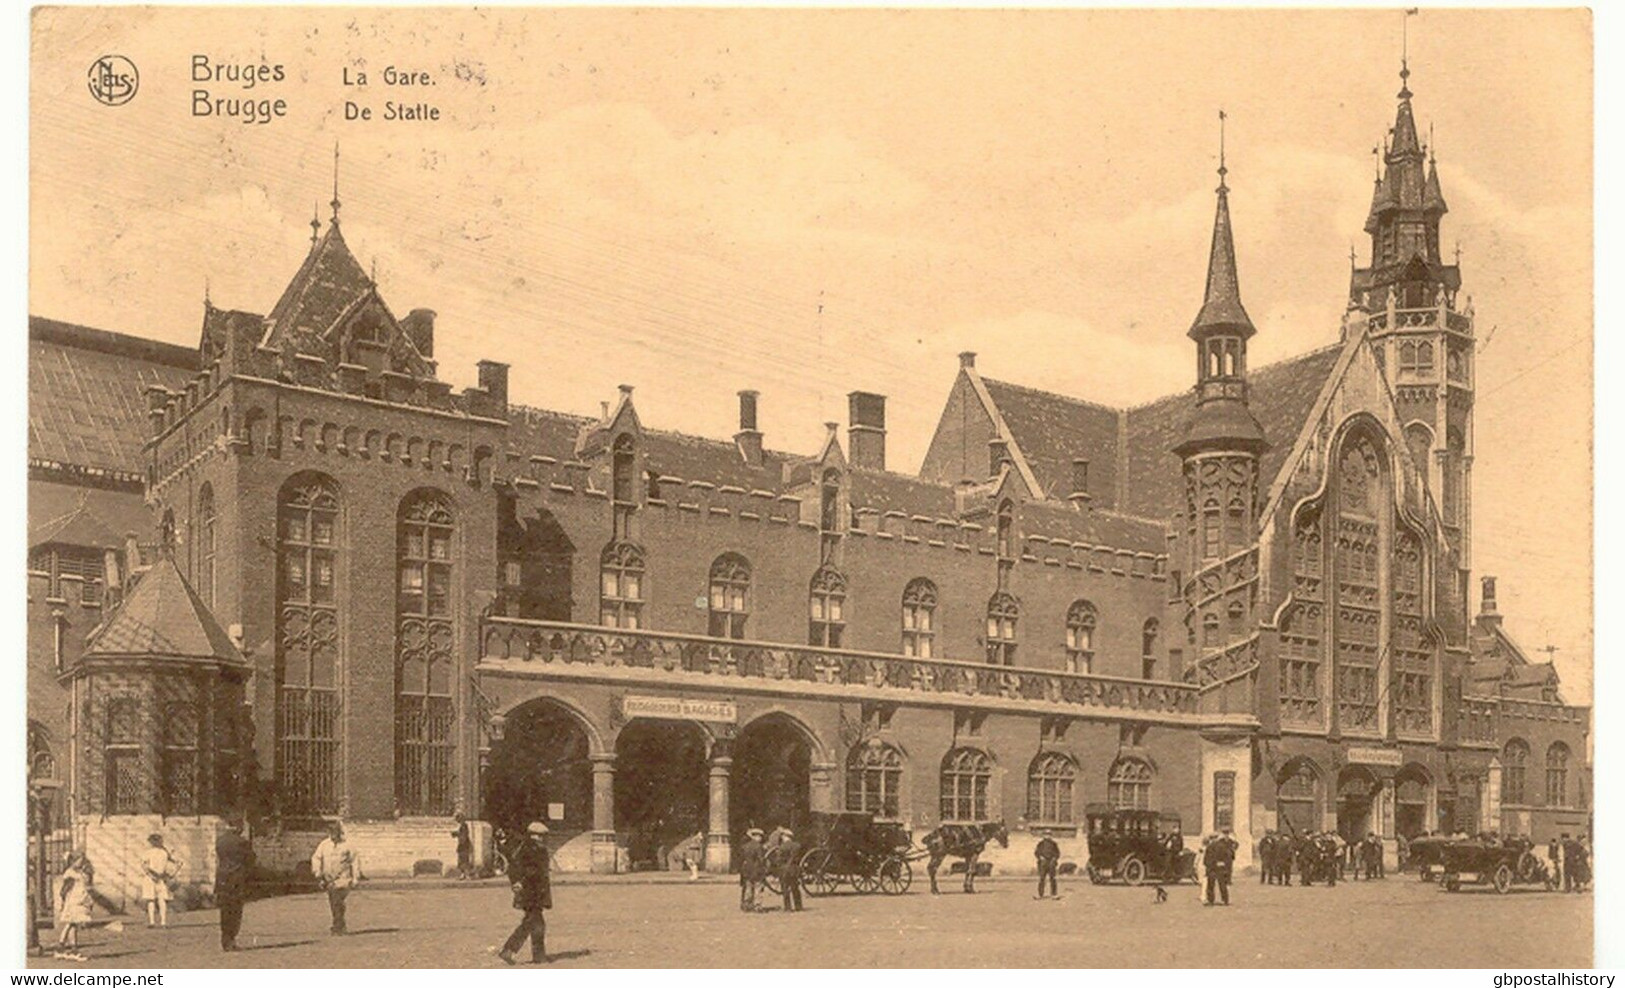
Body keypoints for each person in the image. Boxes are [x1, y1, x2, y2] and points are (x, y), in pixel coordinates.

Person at [498, 821, 553, 964]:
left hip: (531, 892)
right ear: (533, 835)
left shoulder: (524, 848)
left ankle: (538, 956)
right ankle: (509, 950)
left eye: (542, 836)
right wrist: (519, 881)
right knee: (532, 923)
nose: (541, 839)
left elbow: (513, 868)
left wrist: (516, 882)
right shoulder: (534, 849)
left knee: (536, 923)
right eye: (539, 836)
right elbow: (530, 871)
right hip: (532, 892)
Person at [311, 820, 361, 935]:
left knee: (337, 900)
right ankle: (340, 925)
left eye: (335, 832)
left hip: (343, 879)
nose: (333, 834)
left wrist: (355, 878)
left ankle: (337, 925)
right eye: (331, 832)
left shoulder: (347, 845)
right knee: (334, 902)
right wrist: (317, 872)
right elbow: (316, 858)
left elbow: (355, 861)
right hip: (329, 879)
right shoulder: (324, 845)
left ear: (340, 832)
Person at [215, 818, 254, 952]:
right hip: (236, 879)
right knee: (236, 910)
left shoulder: (220, 841)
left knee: (224, 910)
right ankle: (231, 939)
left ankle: (225, 938)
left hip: (222, 878)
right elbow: (250, 859)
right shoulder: (242, 842)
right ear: (238, 827)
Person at [52, 853, 95, 961]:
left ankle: (69, 948)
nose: (80, 863)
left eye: (82, 861)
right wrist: (63, 902)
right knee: (71, 923)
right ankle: (64, 948)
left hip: (79, 900)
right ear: (73, 861)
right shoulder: (70, 873)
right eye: (78, 861)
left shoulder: (79, 872)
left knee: (73, 924)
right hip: (74, 901)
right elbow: (65, 888)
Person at [1203, 831, 1237, 906]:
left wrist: (1223, 863)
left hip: (1218, 868)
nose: (1213, 840)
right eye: (1212, 838)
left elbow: (1227, 856)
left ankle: (1224, 900)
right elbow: (1206, 859)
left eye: (1215, 838)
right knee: (1211, 884)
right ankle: (1211, 899)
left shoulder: (1221, 846)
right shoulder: (1211, 847)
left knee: (1221, 884)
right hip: (1213, 868)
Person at [738, 828, 766, 912]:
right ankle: (757, 906)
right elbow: (761, 859)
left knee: (748, 887)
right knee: (758, 887)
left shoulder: (745, 846)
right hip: (757, 869)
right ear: (756, 837)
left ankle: (747, 905)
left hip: (747, 869)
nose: (760, 838)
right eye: (760, 836)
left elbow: (741, 858)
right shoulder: (758, 846)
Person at [777, 829, 804, 912]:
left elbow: (779, 859)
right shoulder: (797, 846)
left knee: (785, 889)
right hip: (794, 869)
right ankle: (798, 906)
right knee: (795, 888)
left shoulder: (782, 847)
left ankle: (788, 907)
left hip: (784, 869)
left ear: (785, 837)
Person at [1034, 833, 1060, 899]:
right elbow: (1036, 852)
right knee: (1042, 878)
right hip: (1043, 863)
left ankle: (1054, 894)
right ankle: (1040, 894)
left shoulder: (1054, 844)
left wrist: (1054, 858)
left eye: (1049, 835)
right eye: (1045, 835)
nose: (1047, 836)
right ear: (1043, 836)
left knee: (1053, 878)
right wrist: (1040, 857)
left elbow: (1057, 853)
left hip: (1051, 863)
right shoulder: (1041, 844)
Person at [452, 813, 474, 881]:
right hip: (462, 845)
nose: (456, 821)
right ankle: (463, 875)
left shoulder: (464, 826)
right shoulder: (462, 826)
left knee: (464, 860)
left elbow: (464, 836)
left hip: (464, 845)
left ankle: (467, 875)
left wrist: (456, 834)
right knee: (461, 860)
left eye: (457, 819)